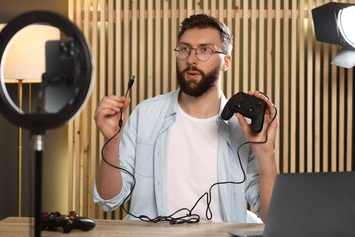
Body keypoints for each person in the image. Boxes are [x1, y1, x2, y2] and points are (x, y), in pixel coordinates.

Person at [93, 14, 279, 223]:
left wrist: (265, 151)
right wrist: (112, 141)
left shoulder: (243, 127)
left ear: (226, 61)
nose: (191, 59)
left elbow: (272, 216)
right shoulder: (146, 114)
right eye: (185, 49)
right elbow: (108, 200)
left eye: (205, 50)